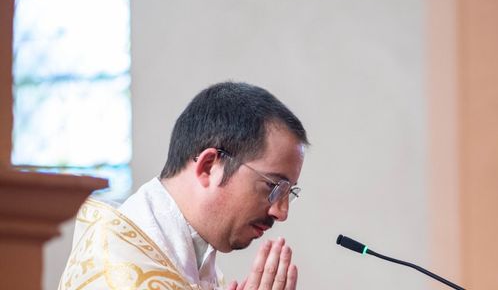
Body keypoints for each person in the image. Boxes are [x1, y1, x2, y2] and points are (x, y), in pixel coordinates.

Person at [58, 81, 309, 290]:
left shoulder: (188, 264)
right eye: (273, 186)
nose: (281, 212)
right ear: (209, 166)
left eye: (289, 192)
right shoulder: (116, 272)